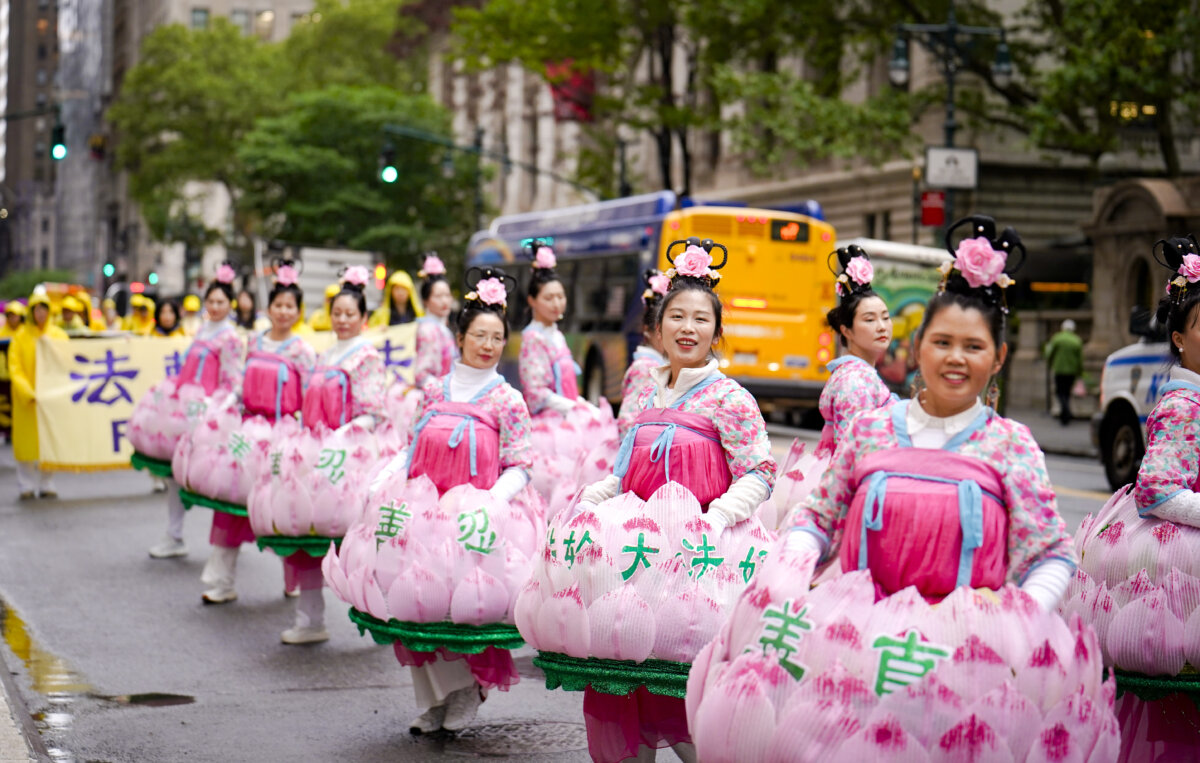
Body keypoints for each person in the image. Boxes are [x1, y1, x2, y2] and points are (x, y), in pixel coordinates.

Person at [783, 216, 1076, 610]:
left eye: (974, 346)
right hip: (860, 629)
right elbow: (818, 518)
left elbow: (1049, 553)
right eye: (942, 342)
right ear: (918, 346)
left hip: (964, 637)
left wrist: (1016, 616)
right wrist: (792, 571)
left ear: (998, 358)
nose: (955, 358)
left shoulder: (1011, 444)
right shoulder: (869, 431)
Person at [578, 237, 777, 763]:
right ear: (659, 326)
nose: (688, 328)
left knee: (685, 689)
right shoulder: (646, 393)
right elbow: (625, 472)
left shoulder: (730, 398)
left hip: (699, 562)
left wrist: (717, 517)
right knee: (628, 678)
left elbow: (760, 473)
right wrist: (595, 496)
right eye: (678, 317)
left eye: (701, 319)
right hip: (636, 559)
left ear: (716, 332)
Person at [337, 266, 536, 734]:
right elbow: (411, 448)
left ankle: (466, 689)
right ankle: (433, 699)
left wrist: (491, 500)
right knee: (415, 603)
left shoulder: (507, 399)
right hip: (422, 512)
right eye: (479, 335)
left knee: (462, 609)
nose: (488, 345)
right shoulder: (432, 391)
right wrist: (384, 476)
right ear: (460, 337)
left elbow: (521, 464)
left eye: (497, 338)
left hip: (476, 516)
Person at [263, 268, 387, 645]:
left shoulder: (366, 356)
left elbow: (373, 411)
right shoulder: (324, 353)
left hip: (352, 454)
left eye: (350, 314)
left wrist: (343, 436)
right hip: (317, 453)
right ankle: (310, 618)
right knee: (309, 533)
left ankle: (379, 610)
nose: (343, 320)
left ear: (363, 318)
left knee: (359, 539)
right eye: (337, 313)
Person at [197, 262, 316, 605]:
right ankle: (222, 581)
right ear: (269, 308)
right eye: (278, 305)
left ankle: (293, 578)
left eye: (289, 306)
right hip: (248, 432)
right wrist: (224, 407)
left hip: (282, 434)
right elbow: (239, 382)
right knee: (232, 505)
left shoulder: (303, 351)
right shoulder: (254, 341)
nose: (283, 311)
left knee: (282, 509)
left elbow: (308, 396)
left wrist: (306, 438)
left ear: (298, 311)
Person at [146, 265, 246, 559]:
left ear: (230, 305)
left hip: (208, 414)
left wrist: (215, 409)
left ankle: (227, 545)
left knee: (214, 479)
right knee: (174, 474)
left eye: (220, 302)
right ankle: (174, 534)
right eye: (211, 301)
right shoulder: (203, 329)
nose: (215, 307)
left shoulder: (230, 337)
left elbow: (233, 382)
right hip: (185, 410)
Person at [814, 245, 896, 458]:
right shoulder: (855, 382)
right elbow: (854, 452)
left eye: (885, 317)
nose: (882, 327)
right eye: (869, 320)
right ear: (846, 330)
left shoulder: (855, 374)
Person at [8, 294, 68, 499]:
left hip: (50, 399)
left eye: (44, 309)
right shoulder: (20, 336)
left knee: (48, 442)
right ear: (31, 311)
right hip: (27, 400)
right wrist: (27, 392)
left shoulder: (58, 335)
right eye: (37, 309)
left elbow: (68, 361)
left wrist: (52, 347)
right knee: (25, 444)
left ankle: (46, 482)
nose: (41, 313)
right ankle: (25, 484)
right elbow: (15, 368)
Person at [616, 270, 669, 438]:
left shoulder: (659, 365)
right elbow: (627, 421)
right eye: (661, 331)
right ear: (647, 330)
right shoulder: (646, 368)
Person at [413, 253, 456, 388]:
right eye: (438, 296)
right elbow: (422, 374)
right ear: (425, 301)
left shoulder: (440, 327)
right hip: (435, 394)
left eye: (447, 295)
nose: (444, 301)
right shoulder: (428, 329)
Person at [1044, 317, 1084, 425]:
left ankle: (1065, 410)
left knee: (1059, 392)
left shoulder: (1057, 338)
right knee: (1067, 392)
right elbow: (1080, 359)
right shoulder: (1077, 340)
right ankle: (1066, 412)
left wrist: (1050, 363)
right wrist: (1080, 372)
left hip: (1059, 369)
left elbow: (1049, 353)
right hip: (1072, 371)